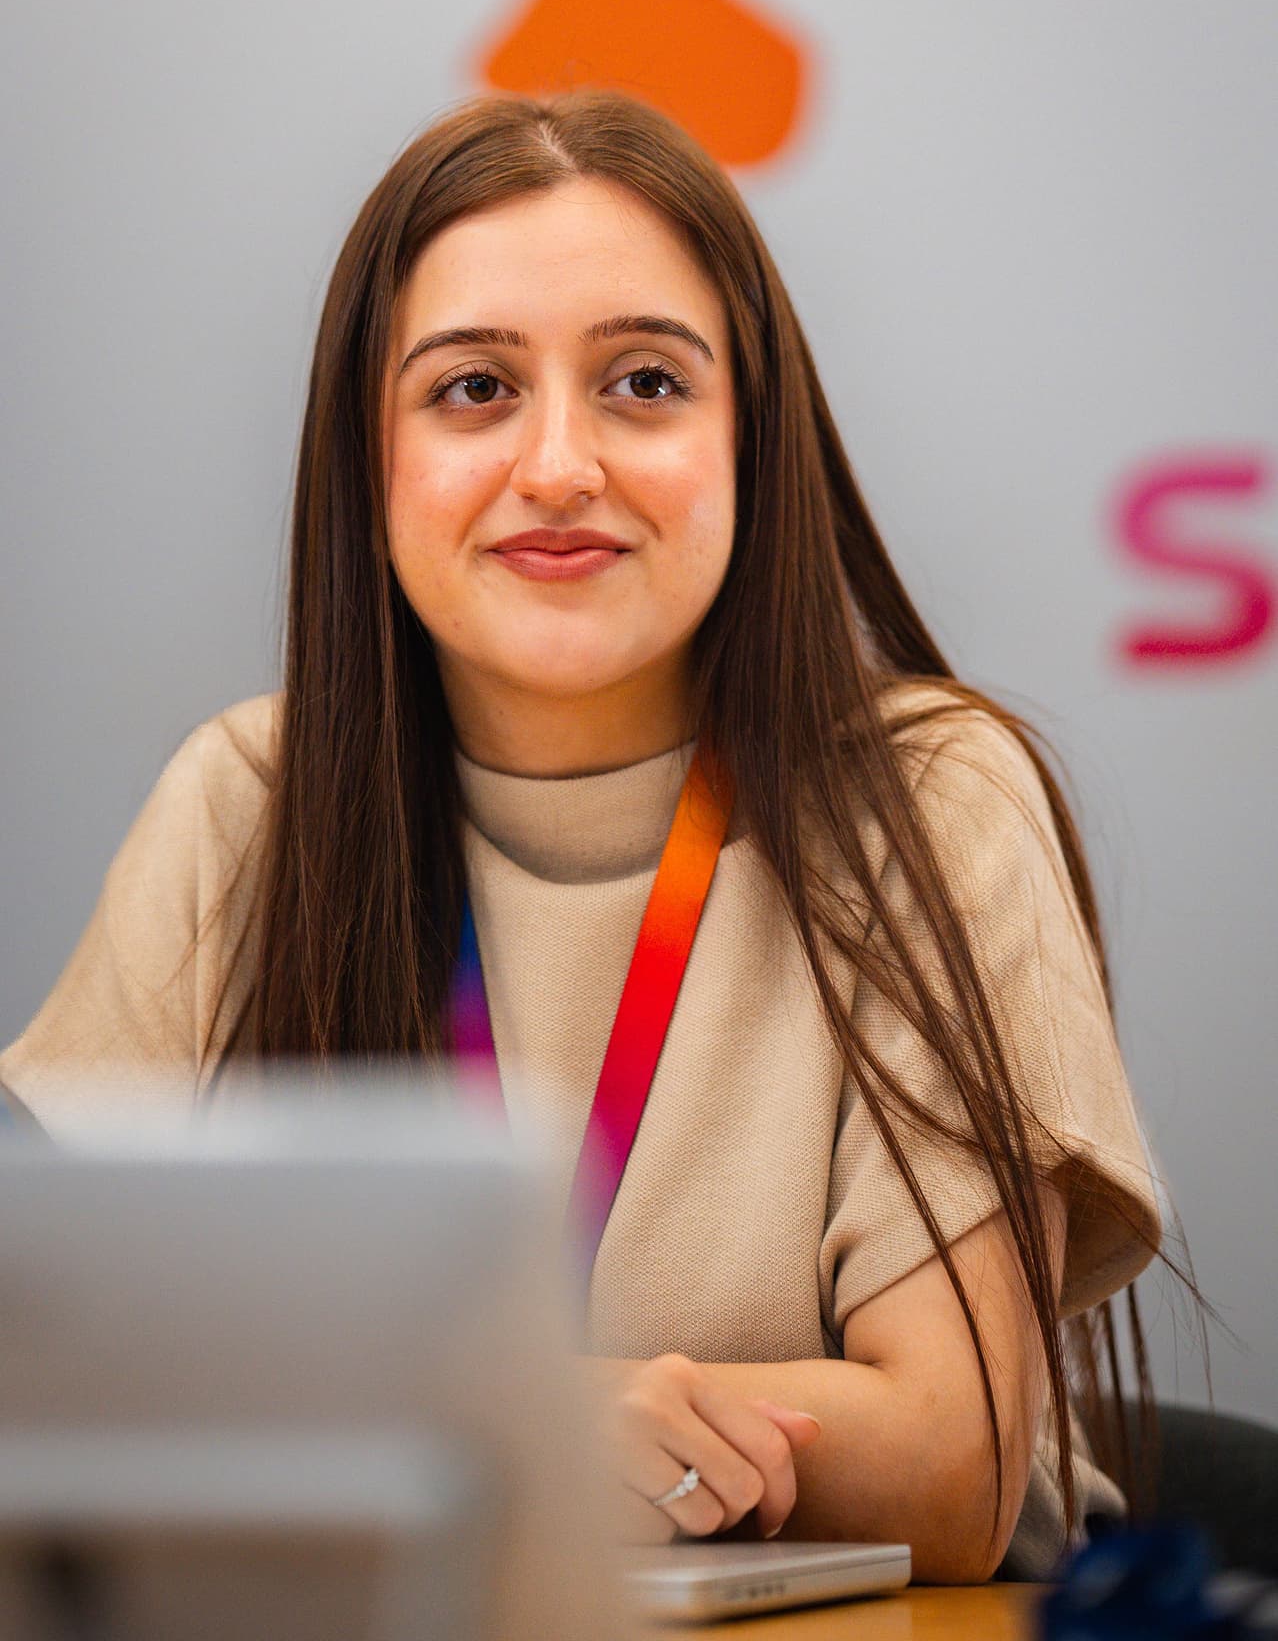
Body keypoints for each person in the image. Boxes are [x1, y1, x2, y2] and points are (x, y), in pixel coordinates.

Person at [0, 87, 1168, 1582]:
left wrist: (465, 1428)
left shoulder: (933, 801)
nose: (559, 465)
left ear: (754, 446)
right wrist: (540, 1420)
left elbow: (954, 1459)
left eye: (643, 384)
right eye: (473, 391)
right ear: (369, 472)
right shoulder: (249, 801)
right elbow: (51, 1380)